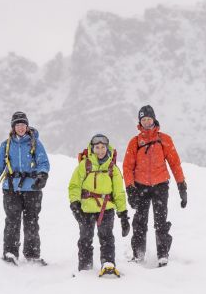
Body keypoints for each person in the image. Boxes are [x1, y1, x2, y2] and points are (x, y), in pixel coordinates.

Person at [0, 111, 50, 266]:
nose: (20, 127)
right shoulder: (6, 145)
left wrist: (42, 176)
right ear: (13, 127)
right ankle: (10, 254)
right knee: (12, 221)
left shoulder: (35, 143)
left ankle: (32, 255)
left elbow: (43, 163)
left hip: (32, 189)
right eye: (17, 124)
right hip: (11, 189)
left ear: (27, 126)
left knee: (31, 222)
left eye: (23, 124)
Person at [123, 105, 187, 267]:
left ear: (154, 119)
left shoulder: (164, 139)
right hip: (140, 186)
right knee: (140, 221)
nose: (146, 122)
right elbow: (127, 167)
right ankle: (138, 253)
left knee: (160, 221)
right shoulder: (135, 142)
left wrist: (182, 186)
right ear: (140, 122)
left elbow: (175, 163)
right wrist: (130, 188)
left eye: (148, 119)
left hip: (160, 186)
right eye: (143, 120)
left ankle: (163, 254)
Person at [68, 134, 130, 276]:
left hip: (106, 208)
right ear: (92, 148)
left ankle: (108, 263)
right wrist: (75, 204)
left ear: (107, 149)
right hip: (86, 208)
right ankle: (85, 266)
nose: (100, 150)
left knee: (107, 236)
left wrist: (123, 215)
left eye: (103, 147)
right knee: (85, 237)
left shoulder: (112, 168)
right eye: (97, 147)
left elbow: (119, 192)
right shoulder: (85, 165)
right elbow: (74, 186)